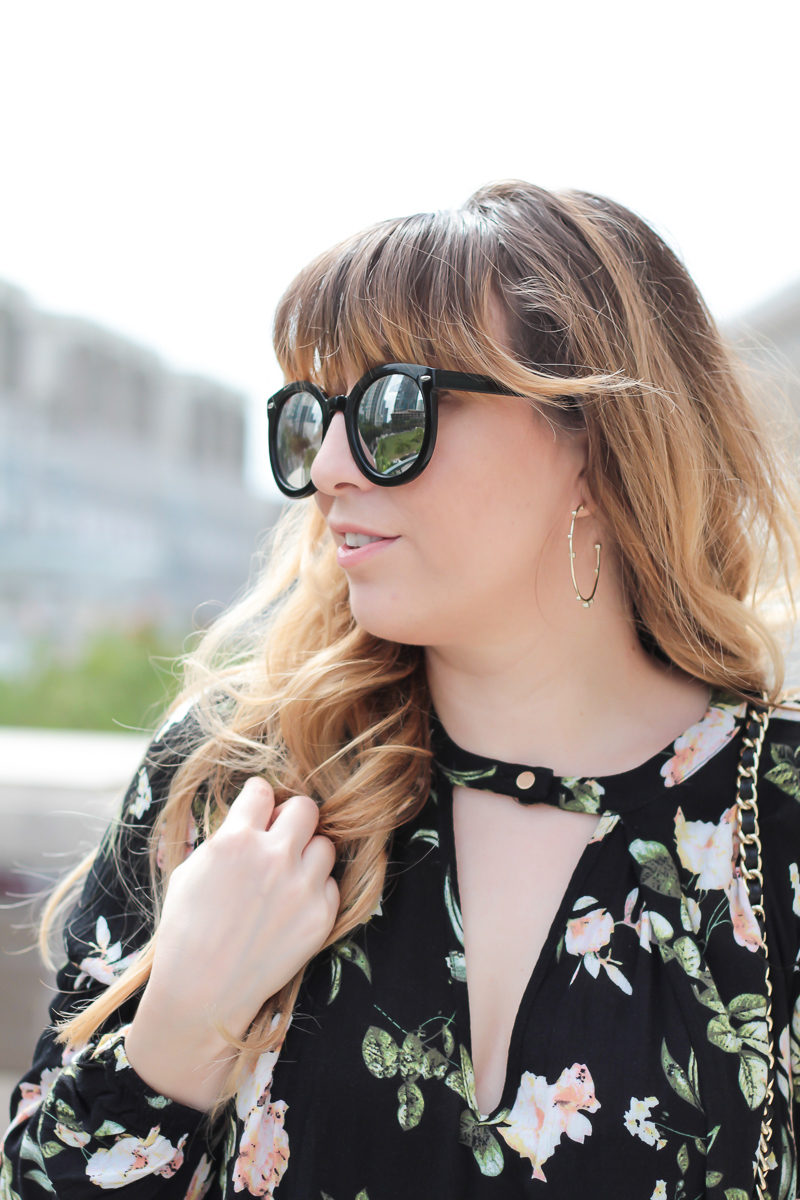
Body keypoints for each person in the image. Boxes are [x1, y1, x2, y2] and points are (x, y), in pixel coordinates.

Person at [2, 180, 800, 1200]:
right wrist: (175, 1033)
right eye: (309, 417)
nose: (331, 465)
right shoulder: (235, 789)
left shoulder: (770, 818)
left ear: (593, 443)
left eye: (391, 408)